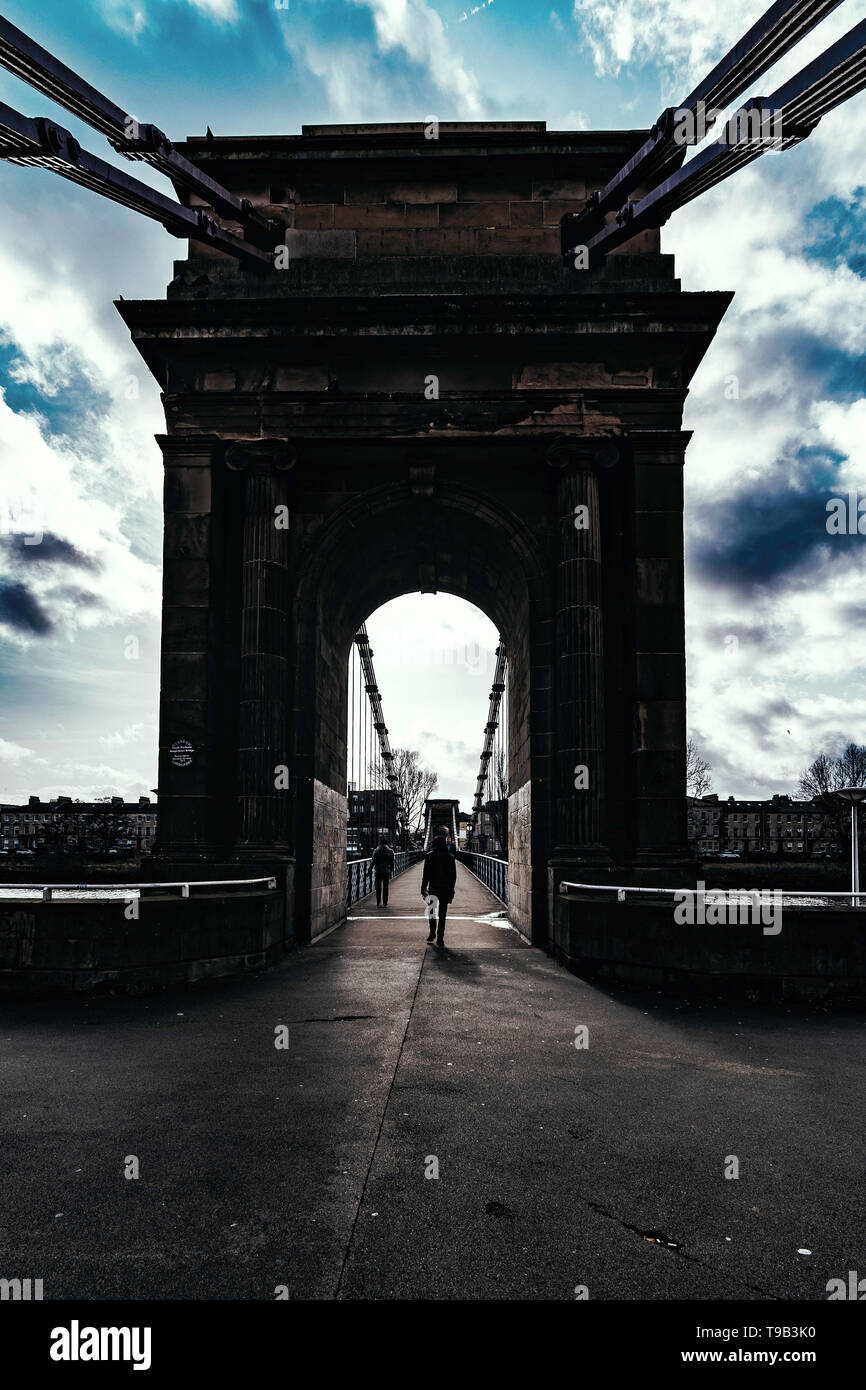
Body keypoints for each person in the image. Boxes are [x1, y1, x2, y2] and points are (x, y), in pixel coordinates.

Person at [420, 834, 457, 948]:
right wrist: (452, 888)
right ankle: (440, 938)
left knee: (431, 911)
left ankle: (432, 934)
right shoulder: (450, 857)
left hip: (434, 887)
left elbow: (426, 874)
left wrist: (423, 887)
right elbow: (453, 875)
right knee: (442, 913)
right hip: (446, 888)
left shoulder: (430, 856)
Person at [371, 836, 395, 908]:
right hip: (386, 871)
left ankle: (378, 902)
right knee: (386, 887)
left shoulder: (376, 850)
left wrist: (370, 869)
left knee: (378, 887)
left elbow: (373, 861)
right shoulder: (390, 851)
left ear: (379, 843)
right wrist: (391, 870)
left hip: (378, 871)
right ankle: (385, 902)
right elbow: (392, 862)